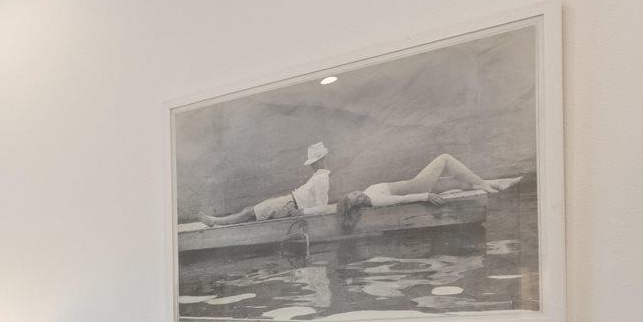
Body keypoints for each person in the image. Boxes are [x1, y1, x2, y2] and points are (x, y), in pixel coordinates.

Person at [198, 142, 334, 227]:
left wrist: (302, 212)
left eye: (314, 163)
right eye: (312, 163)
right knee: (250, 212)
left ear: (322, 160)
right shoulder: (319, 176)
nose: (312, 166)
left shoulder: (321, 178)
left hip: (291, 205)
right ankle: (216, 221)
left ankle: (215, 221)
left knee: (248, 212)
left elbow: (322, 207)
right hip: (288, 202)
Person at [344, 153, 517, 210]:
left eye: (354, 193)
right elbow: (401, 199)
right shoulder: (374, 200)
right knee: (445, 158)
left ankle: (499, 183)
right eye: (357, 199)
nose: (358, 194)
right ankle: (481, 183)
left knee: (460, 182)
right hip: (417, 187)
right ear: (360, 204)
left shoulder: (367, 191)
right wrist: (426, 196)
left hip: (415, 185)